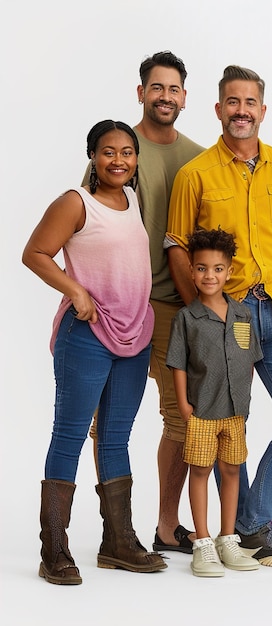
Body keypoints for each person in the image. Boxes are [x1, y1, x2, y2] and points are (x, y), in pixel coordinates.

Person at [166, 65, 272, 567]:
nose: (241, 111)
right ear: (218, 109)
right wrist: (203, 313)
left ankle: (250, 522)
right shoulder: (195, 174)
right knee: (219, 422)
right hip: (224, 316)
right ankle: (239, 533)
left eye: (250, 102)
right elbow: (176, 246)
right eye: (232, 102)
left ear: (263, 109)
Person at [23, 120, 167, 585]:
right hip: (86, 333)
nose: (119, 160)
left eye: (127, 152)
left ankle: (118, 542)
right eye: (109, 152)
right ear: (93, 156)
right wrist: (76, 292)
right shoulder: (75, 202)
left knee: (116, 437)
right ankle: (54, 549)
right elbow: (36, 253)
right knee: (68, 436)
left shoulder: (134, 201)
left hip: (134, 334)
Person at [82, 51, 204, 554]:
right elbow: (86, 224)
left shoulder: (199, 156)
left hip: (180, 307)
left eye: (174, 89)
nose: (165, 97)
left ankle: (166, 526)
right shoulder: (119, 151)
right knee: (110, 418)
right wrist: (83, 295)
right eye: (157, 88)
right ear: (141, 93)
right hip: (122, 307)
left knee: (181, 417)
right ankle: (116, 531)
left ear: (184, 96)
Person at [167, 228, 263, 577]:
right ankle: (203, 542)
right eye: (202, 268)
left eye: (218, 268)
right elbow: (178, 363)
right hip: (202, 412)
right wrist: (184, 406)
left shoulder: (243, 316)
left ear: (229, 271)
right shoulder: (186, 319)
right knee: (201, 471)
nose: (210, 275)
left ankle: (227, 538)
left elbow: (249, 359)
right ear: (192, 272)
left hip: (235, 413)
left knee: (232, 471)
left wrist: (244, 399)